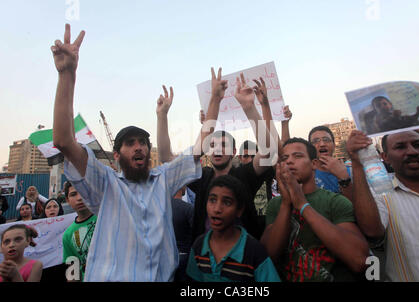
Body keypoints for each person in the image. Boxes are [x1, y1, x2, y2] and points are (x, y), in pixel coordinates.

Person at [51, 24, 204, 281]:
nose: (139, 147)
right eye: (131, 143)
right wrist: (67, 73)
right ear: (118, 155)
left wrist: (213, 107)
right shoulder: (106, 185)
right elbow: (64, 141)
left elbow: (197, 153)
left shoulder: (162, 179)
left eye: (143, 142)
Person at [159, 71, 279, 241]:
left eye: (224, 145)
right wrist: (162, 116)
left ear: (234, 152)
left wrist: (249, 107)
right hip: (204, 261)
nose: (217, 149)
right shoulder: (201, 177)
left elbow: (269, 151)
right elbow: (166, 158)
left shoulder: (244, 175)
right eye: (213, 145)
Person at [346, 129, 419, 281]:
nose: (412, 151)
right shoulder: (381, 195)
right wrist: (357, 164)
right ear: (385, 157)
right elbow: (372, 230)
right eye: (400, 147)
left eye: (418, 145)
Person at [261, 138, 369, 282]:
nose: (289, 162)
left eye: (297, 156)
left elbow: (359, 261)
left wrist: (303, 205)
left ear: (314, 164)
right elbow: (269, 256)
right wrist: (286, 204)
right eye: (284, 158)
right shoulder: (276, 205)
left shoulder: (335, 202)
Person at [186, 175, 280, 282]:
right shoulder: (199, 246)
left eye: (227, 202)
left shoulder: (253, 251)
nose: (217, 209)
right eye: (212, 200)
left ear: (239, 210)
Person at [62, 181, 97, 281]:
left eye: (83, 192)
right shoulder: (68, 235)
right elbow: (72, 273)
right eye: (73, 194)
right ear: (67, 200)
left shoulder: (106, 218)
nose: (79, 198)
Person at [308, 126, 353, 200]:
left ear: (334, 145)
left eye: (326, 140)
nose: (322, 144)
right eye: (316, 141)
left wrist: (344, 179)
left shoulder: (350, 171)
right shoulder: (308, 174)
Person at [171, 186, 194, 282]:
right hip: (184, 257)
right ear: (182, 187)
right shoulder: (188, 208)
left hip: (167, 257)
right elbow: (195, 231)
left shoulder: (161, 208)